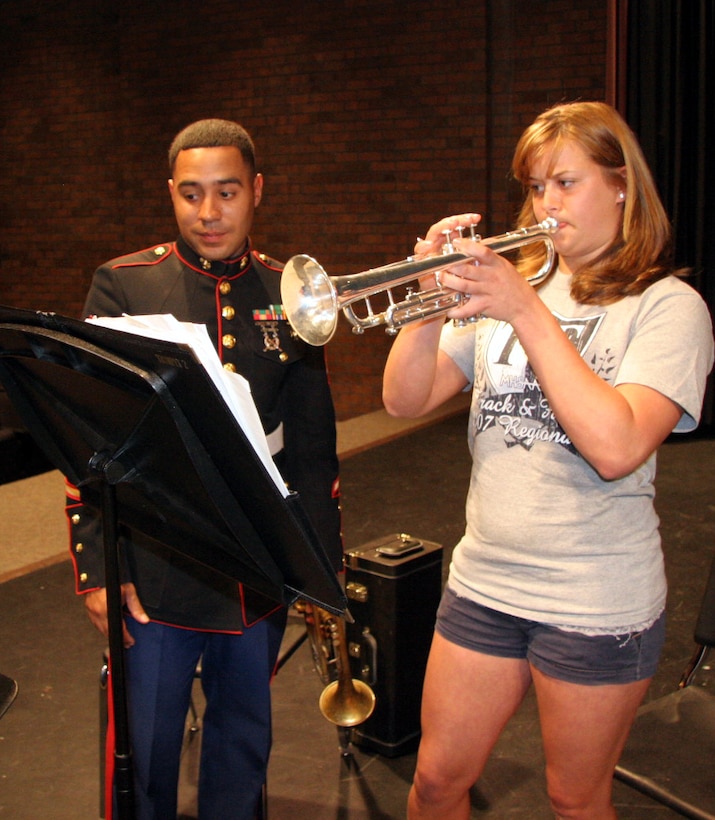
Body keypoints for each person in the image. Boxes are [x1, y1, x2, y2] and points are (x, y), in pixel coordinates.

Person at [382, 101, 714, 819]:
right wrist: (425, 303)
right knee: (436, 782)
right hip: (485, 583)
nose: (545, 204)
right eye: (535, 187)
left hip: (594, 599)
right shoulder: (518, 286)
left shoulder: (667, 307)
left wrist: (525, 313)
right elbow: (406, 400)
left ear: (620, 184)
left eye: (565, 183)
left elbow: (617, 446)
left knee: (572, 798)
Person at [65, 118, 342, 819]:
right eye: (191, 195)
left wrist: (320, 568)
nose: (208, 213)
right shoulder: (124, 286)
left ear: (257, 192)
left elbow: (312, 447)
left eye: (226, 193)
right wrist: (100, 568)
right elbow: (88, 439)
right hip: (155, 559)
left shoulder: (291, 293)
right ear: (171, 195)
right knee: (144, 747)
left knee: (242, 741)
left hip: (257, 556)